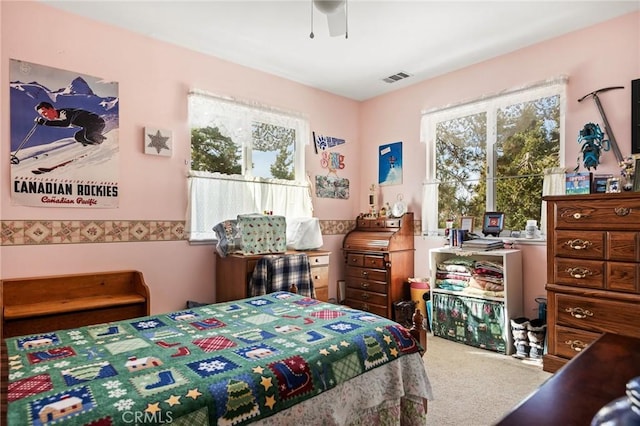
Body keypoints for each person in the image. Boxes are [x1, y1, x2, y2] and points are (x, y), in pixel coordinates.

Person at [34, 101, 106, 145]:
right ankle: (96, 147)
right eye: (42, 115)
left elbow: (65, 123)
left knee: (88, 136)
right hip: (89, 125)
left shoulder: (63, 112)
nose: (44, 116)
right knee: (78, 137)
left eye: (44, 113)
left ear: (51, 109)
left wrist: (46, 123)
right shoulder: (59, 117)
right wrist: (44, 122)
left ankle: (107, 143)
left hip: (97, 122)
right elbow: (61, 122)